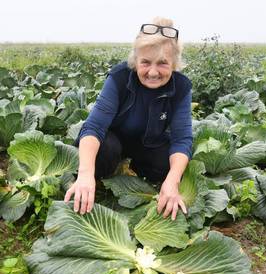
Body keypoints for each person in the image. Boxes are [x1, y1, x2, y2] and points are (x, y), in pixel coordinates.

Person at [64, 17, 192, 220]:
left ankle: (132, 171)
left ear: (174, 64)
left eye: (162, 63)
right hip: (113, 139)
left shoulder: (182, 87)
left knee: (171, 166)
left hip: (147, 144)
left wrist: (172, 181)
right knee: (104, 151)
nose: (152, 72)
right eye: (146, 62)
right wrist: (85, 174)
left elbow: (182, 139)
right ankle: (97, 179)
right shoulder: (120, 77)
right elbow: (94, 127)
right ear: (135, 61)